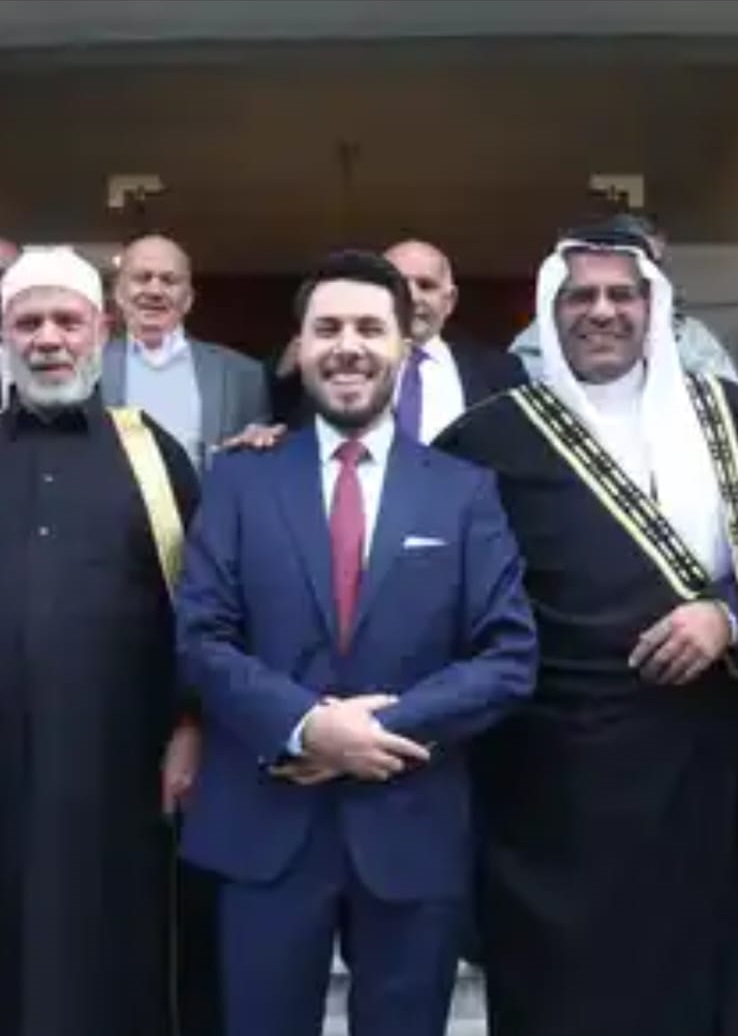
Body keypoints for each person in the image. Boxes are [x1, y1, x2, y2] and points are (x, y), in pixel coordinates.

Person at [175, 249, 537, 1036]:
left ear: (405, 346)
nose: (348, 346)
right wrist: (306, 726)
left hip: (412, 826)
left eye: (371, 328)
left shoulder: (463, 490)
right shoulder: (238, 480)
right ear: (299, 347)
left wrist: (370, 732)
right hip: (264, 827)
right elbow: (201, 637)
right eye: (328, 327)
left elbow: (508, 657)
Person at [438, 227, 738, 1036]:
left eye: (622, 294)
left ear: (654, 307)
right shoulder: (488, 436)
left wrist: (727, 615)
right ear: (551, 311)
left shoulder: (728, 414)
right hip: (558, 786)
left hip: (708, 767)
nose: (602, 311)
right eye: (581, 296)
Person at [0, 246, 199, 1036]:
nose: (48, 338)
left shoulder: (153, 454)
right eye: (28, 323)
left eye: (67, 321)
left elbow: (201, 609)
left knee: (111, 954)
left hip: (118, 764)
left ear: (101, 331)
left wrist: (191, 727)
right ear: (5, 335)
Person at [102, 233, 270, 469]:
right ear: (119, 293)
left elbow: (259, 461)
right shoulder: (90, 368)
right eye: (142, 278)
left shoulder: (243, 373)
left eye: (169, 280)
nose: (155, 290)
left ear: (188, 299)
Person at [510, 212, 738, 382]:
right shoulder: (552, 330)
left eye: (654, 263)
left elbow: (722, 398)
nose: (602, 312)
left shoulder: (691, 335)